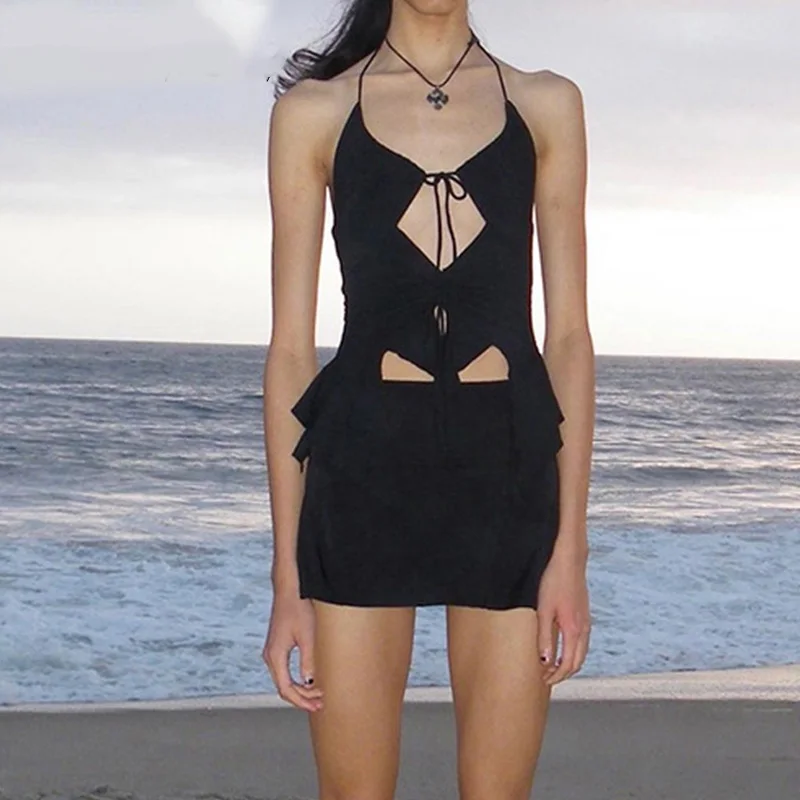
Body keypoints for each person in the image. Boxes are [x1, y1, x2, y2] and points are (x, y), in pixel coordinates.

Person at [262, 1, 594, 797]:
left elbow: (569, 340)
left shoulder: (546, 105)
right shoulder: (314, 113)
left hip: (507, 477)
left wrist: (569, 553)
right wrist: (287, 579)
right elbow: (291, 353)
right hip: (363, 477)